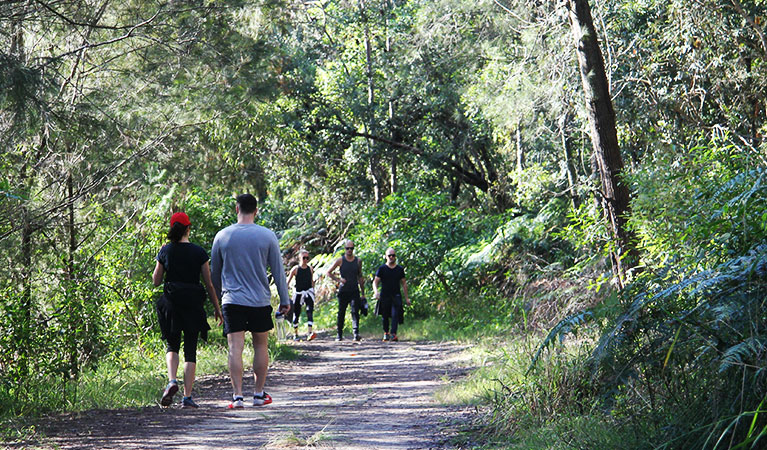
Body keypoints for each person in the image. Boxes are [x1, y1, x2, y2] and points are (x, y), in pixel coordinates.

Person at [210, 194, 290, 409]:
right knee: (260, 345)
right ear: (256, 210)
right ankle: (258, 394)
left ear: (237, 209)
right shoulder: (267, 236)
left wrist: (216, 303)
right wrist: (285, 298)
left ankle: (237, 397)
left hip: (231, 300)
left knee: (235, 347)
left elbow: (214, 274)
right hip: (259, 300)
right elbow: (278, 270)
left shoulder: (222, 236)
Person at [153, 211, 223, 408]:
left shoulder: (166, 251)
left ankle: (172, 381)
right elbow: (209, 284)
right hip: (193, 304)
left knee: (172, 345)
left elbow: (156, 281)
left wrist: (160, 255)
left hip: (171, 304)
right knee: (190, 349)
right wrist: (217, 308)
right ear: (188, 228)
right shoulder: (199, 252)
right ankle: (187, 397)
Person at [326, 240, 367, 341]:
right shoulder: (340, 260)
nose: (349, 250)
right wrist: (339, 280)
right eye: (348, 248)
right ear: (344, 249)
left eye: (351, 248)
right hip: (343, 291)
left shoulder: (358, 261)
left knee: (355, 311)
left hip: (354, 290)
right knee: (341, 312)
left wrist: (363, 293)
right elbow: (329, 272)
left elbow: (360, 276)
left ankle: (356, 333)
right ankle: (339, 334)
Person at [372, 247, 411, 342]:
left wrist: (407, 298)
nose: (391, 257)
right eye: (389, 255)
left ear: (395, 257)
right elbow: (375, 282)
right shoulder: (382, 269)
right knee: (385, 316)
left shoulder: (399, 269)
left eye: (393, 255)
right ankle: (386, 333)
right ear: (386, 256)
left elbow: (404, 284)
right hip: (385, 296)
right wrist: (376, 292)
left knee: (395, 315)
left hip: (396, 295)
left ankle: (393, 334)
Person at [286, 249, 317, 341]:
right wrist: (286, 293)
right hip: (298, 293)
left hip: (309, 292)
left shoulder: (310, 269)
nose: (306, 260)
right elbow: (287, 282)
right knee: (297, 313)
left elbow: (311, 280)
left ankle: (310, 332)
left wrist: (313, 290)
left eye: (307, 258)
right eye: (304, 258)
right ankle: (295, 334)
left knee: (309, 311)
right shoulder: (295, 269)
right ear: (300, 258)